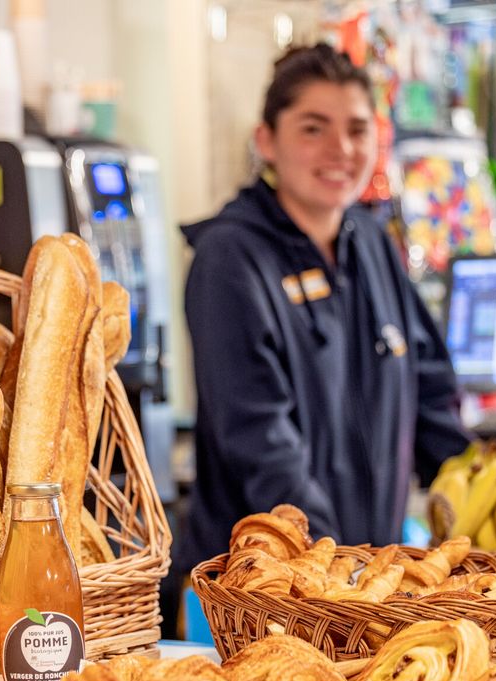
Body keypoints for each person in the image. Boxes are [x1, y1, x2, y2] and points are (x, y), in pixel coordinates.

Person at [177, 44, 472, 576]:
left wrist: (480, 495)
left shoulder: (373, 241)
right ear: (266, 140)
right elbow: (261, 443)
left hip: (361, 581)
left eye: (357, 130)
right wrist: (334, 569)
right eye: (313, 128)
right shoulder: (230, 258)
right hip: (261, 588)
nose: (340, 149)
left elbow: (430, 393)